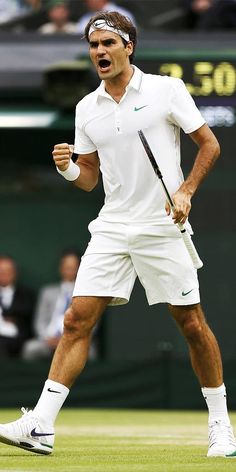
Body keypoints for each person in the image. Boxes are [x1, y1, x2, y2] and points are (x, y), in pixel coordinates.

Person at [0, 10, 235, 459]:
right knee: (75, 320)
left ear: (129, 47)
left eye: (108, 43)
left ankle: (222, 425)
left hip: (161, 225)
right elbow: (89, 178)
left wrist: (186, 190)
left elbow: (210, 143)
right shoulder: (86, 108)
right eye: (94, 46)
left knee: (191, 324)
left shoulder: (167, 89)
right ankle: (41, 426)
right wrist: (69, 168)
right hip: (111, 226)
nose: (100, 52)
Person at [22, 251, 81, 360]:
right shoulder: (47, 292)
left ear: (79, 269)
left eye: (73, 267)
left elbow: (90, 325)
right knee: (30, 348)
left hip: (74, 340)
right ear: (61, 268)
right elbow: (39, 321)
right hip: (48, 340)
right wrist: (47, 338)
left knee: (87, 351)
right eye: (66, 267)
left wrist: (67, 338)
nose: (69, 271)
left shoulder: (84, 294)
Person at [0, 255, 35, 357]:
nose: (3, 274)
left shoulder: (26, 294)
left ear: (15, 273)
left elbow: (25, 313)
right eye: (1, 271)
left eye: (7, 271)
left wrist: (7, 315)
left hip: (15, 339)